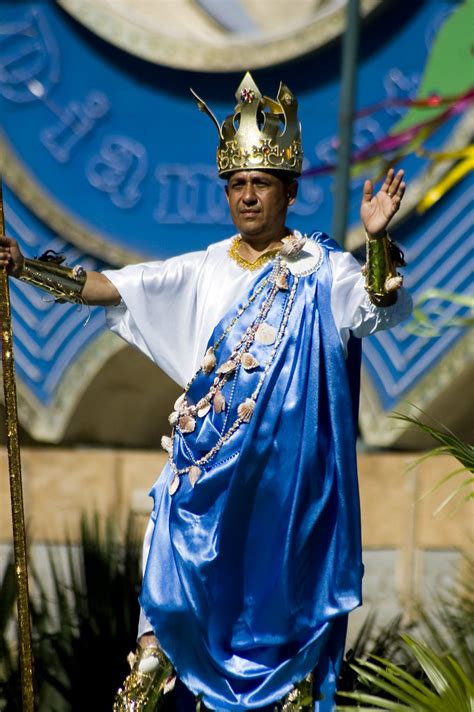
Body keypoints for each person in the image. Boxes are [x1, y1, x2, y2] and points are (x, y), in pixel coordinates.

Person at [0, 73, 411, 711]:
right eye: (238, 185)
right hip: (205, 477)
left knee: (285, 638)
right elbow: (110, 286)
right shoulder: (202, 267)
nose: (247, 197)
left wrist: (377, 239)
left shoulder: (322, 269)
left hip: (287, 490)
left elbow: (377, 305)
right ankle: (152, 664)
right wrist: (26, 268)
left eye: (261, 184)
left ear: (289, 191)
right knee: (163, 606)